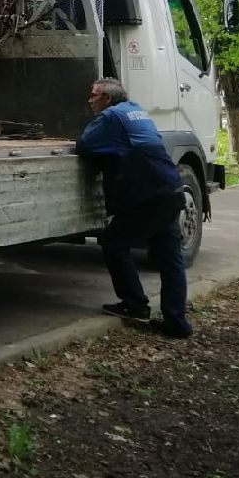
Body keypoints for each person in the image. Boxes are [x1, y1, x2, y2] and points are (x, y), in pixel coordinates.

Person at [75, 77, 193, 338]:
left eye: (94, 95)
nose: (90, 99)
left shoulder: (110, 117)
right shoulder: (135, 110)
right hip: (170, 189)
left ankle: (135, 304)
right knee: (170, 259)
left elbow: (84, 145)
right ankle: (176, 323)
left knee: (114, 241)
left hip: (149, 195)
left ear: (107, 99)